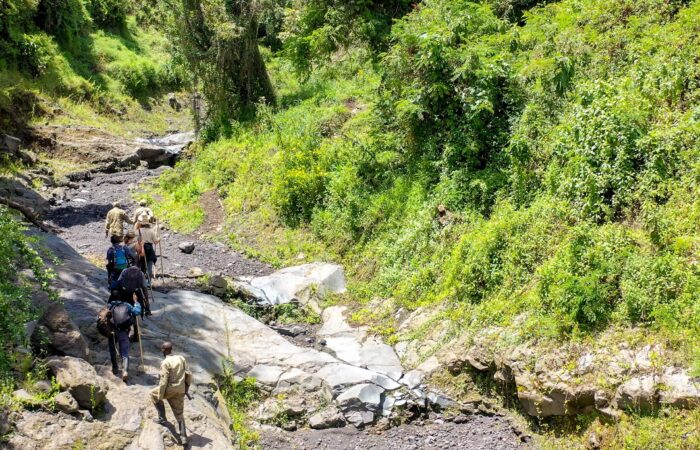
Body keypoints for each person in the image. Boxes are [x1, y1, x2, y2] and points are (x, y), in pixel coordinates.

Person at [151, 342, 192, 445]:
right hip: (181, 389)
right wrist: (186, 388)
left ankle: (162, 419)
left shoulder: (165, 362)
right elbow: (189, 374)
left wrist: (160, 396)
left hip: (169, 389)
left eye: (162, 349)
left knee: (153, 394)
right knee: (179, 413)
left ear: (163, 350)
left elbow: (163, 381)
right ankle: (183, 437)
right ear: (171, 349)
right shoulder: (181, 358)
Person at [107, 291, 142, 382]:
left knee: (112, 350)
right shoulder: (127, 305)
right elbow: (137, 311)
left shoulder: (110, 306)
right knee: (125, 352)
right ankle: (125, 371)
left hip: (112, 331)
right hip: (123, 331)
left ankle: (115, 368)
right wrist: (136, 302)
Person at [136, 214, 160, 285]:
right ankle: (149, 283)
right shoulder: (151, 231)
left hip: (140, 248)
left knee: (141, 265)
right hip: (149, 248)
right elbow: (155, 242)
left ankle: (141, 282)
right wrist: (159, 239)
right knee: (149, 266)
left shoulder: (138, 231)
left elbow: (135, 240)